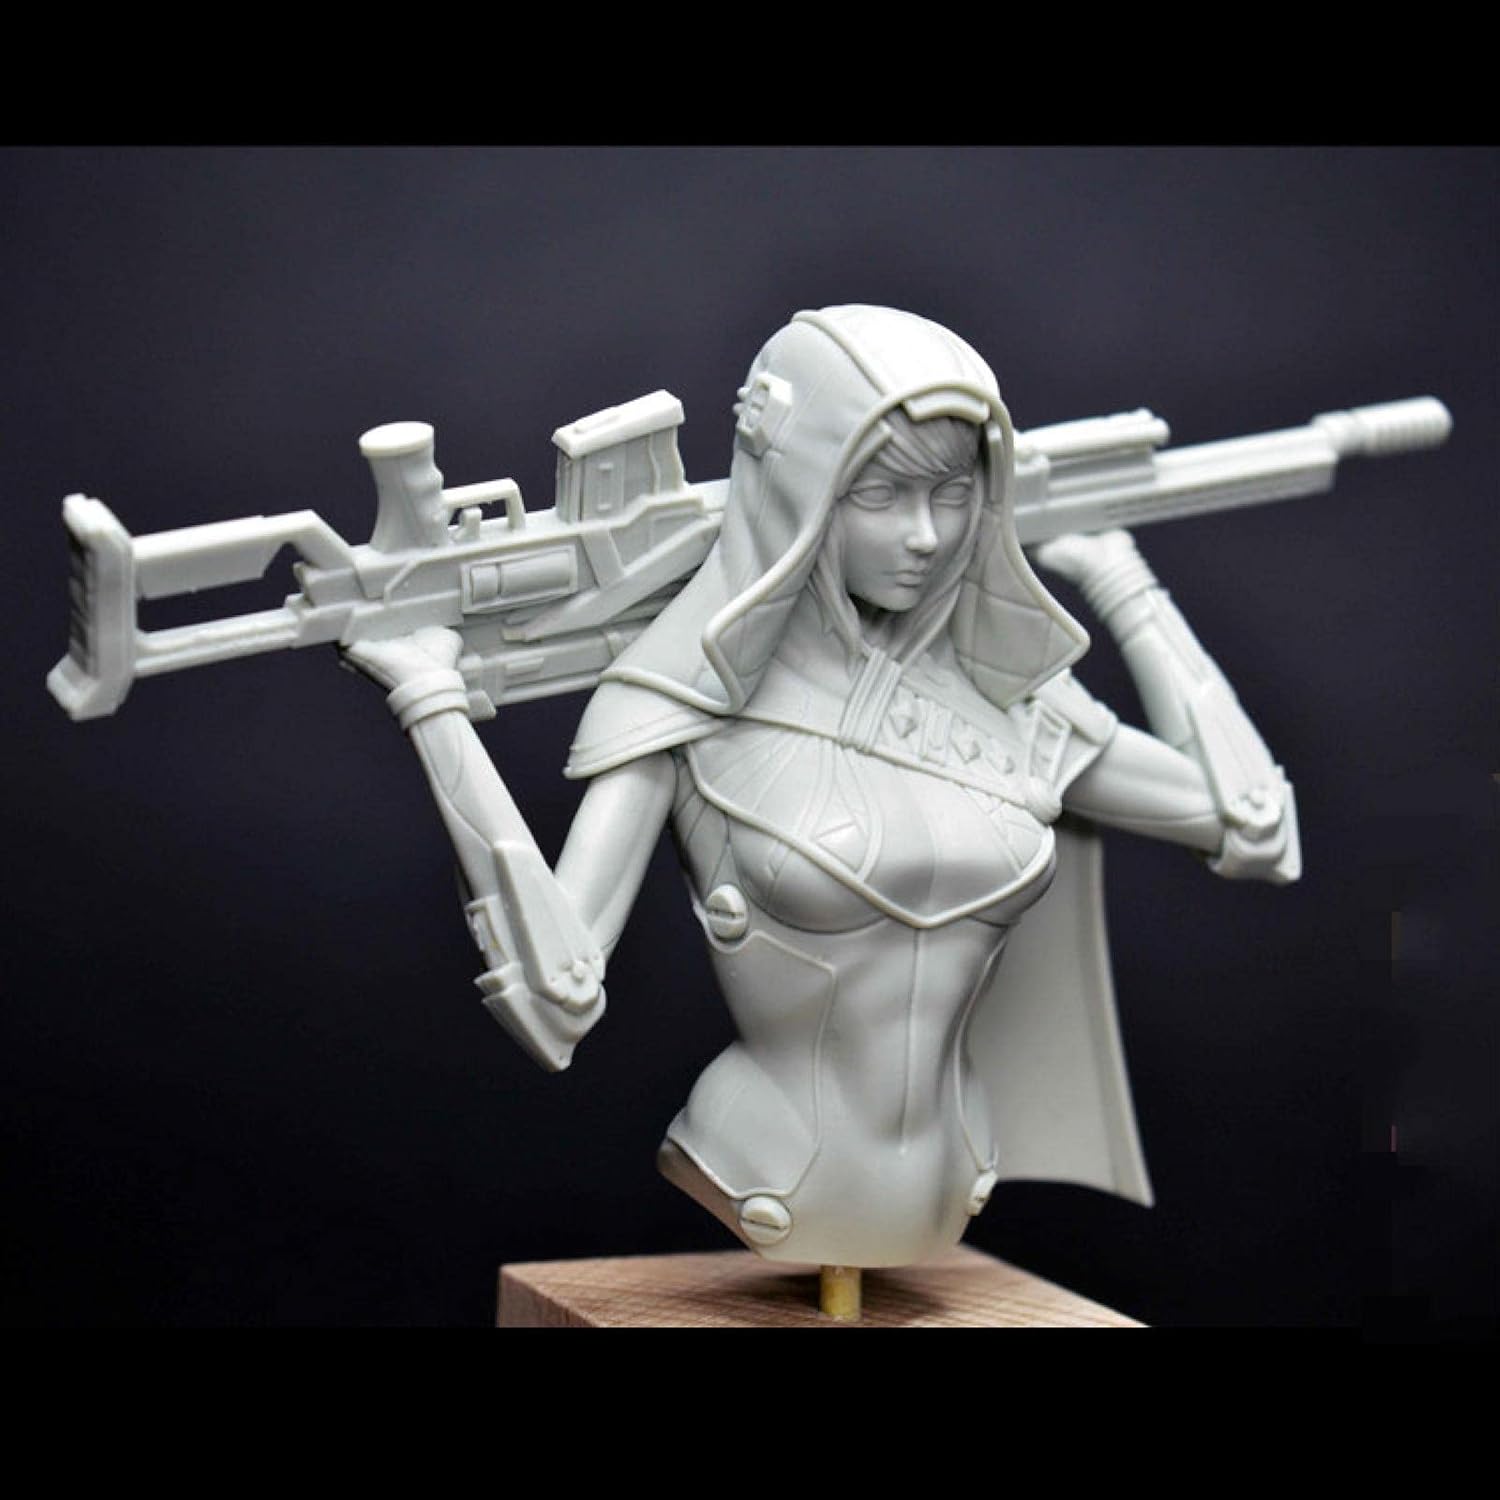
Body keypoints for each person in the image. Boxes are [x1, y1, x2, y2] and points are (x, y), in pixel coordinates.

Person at [347, 305, 1298, 1270]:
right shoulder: (686, 700)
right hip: (764, 1163)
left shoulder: (1003, 698)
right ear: (800, 492)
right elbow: (556, 996)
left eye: (953, 494)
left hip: (961, 1166)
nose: (925, 536)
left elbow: (1251, 825)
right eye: (880, 494)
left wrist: (1120, 573)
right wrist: (432, 702)